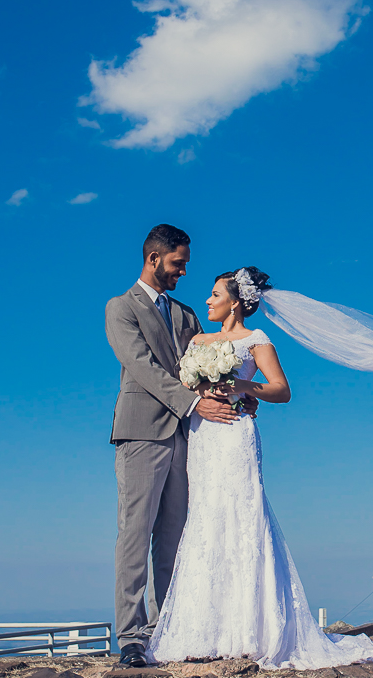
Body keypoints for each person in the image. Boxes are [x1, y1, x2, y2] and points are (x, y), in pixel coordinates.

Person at [147, 267, 373, 669]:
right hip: (203, 437)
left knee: (243, 518)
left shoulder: (256, 340)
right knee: (205, 518)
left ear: (234, 302)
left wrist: (242, 387)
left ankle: (250, 631)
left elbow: (281, 390)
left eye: (215, 294)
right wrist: (202, 387)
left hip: (235, 435)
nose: (208, 301)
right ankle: (202, 630)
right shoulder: (198, 341)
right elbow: (185, 385)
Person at [104, 224, 252, 668]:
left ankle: (167, 628)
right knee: (135, 533)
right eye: (178, 264)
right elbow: (142, 366)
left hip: (189, 436)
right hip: (141, 432)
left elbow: (207, 365)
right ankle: (131, 637)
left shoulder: (186, 314)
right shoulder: (120, 308)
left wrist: (236, 395)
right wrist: (193, 403)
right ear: (154, 259)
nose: (184, 272)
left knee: (174, 536)